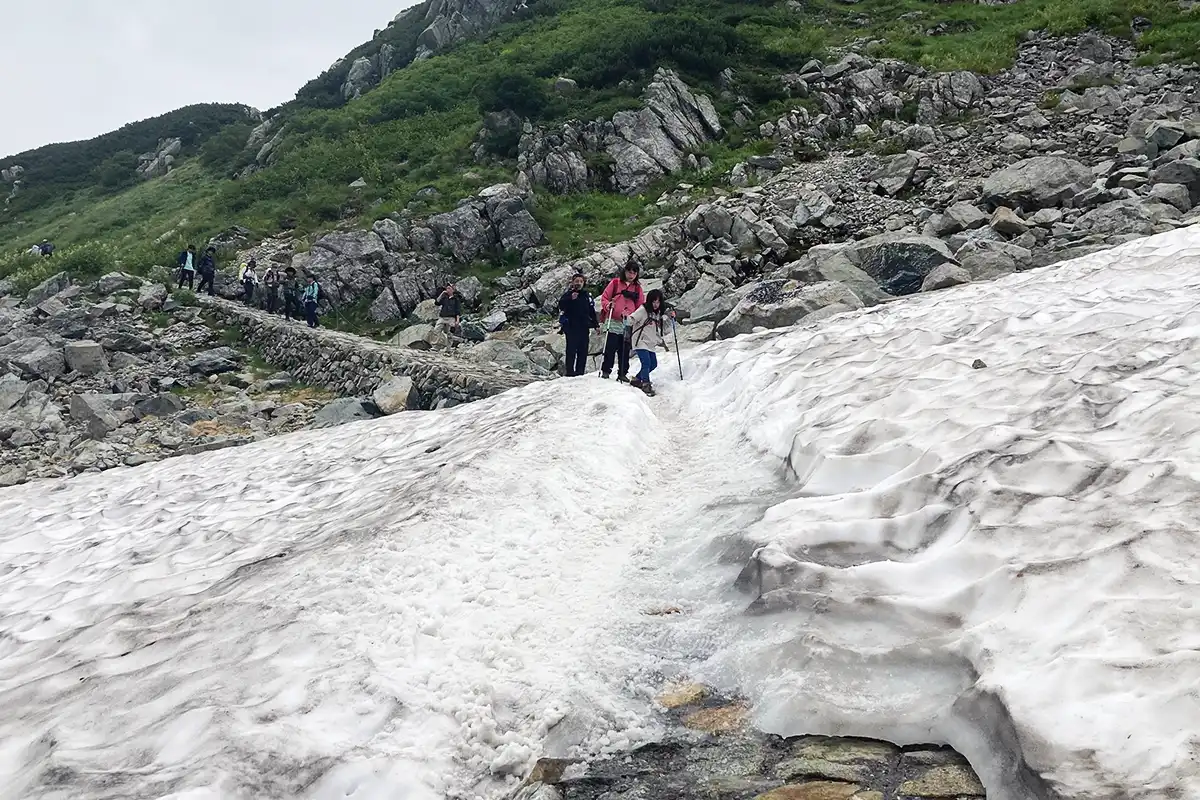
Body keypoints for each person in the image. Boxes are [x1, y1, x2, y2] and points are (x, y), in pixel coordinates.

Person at [598, 258, 645, 382]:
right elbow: (605, 298)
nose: (631, 275)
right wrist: (608, 305)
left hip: (628, 322)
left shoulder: (637, 288)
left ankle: (622, 372)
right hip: (613, 320)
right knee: (610, 347)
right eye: (629, 272)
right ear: (625, 271)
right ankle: (606, 370)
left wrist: (635, 317)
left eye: (634, 273)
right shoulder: (615, 283)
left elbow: (641, 305)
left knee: (624, 348)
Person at [626, 289, 675, 396]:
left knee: (653, 364)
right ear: (649, 301)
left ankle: (637, 379)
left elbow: (664, 330)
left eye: (658, 302)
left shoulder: (657, 314)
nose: (656, 304)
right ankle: (646, 384)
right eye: (654, 302)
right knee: (646, 363)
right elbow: (631, 320)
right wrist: (625, 316)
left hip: (650, 342)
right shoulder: (643, 310)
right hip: (640, 340)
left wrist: (670, 317)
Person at [558, 272, 599, 377]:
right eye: (577, 281)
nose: (579, 283)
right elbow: (561, 306)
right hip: (571, 327)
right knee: (571, 350)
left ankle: (580, 372)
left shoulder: (587, 295)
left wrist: (596, 325)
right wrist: (570, 299)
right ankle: (570, 372)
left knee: (583, 350)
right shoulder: (568, 294)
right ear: (572, 282)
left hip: (584, 327)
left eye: (581, 281)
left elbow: (591, 311)